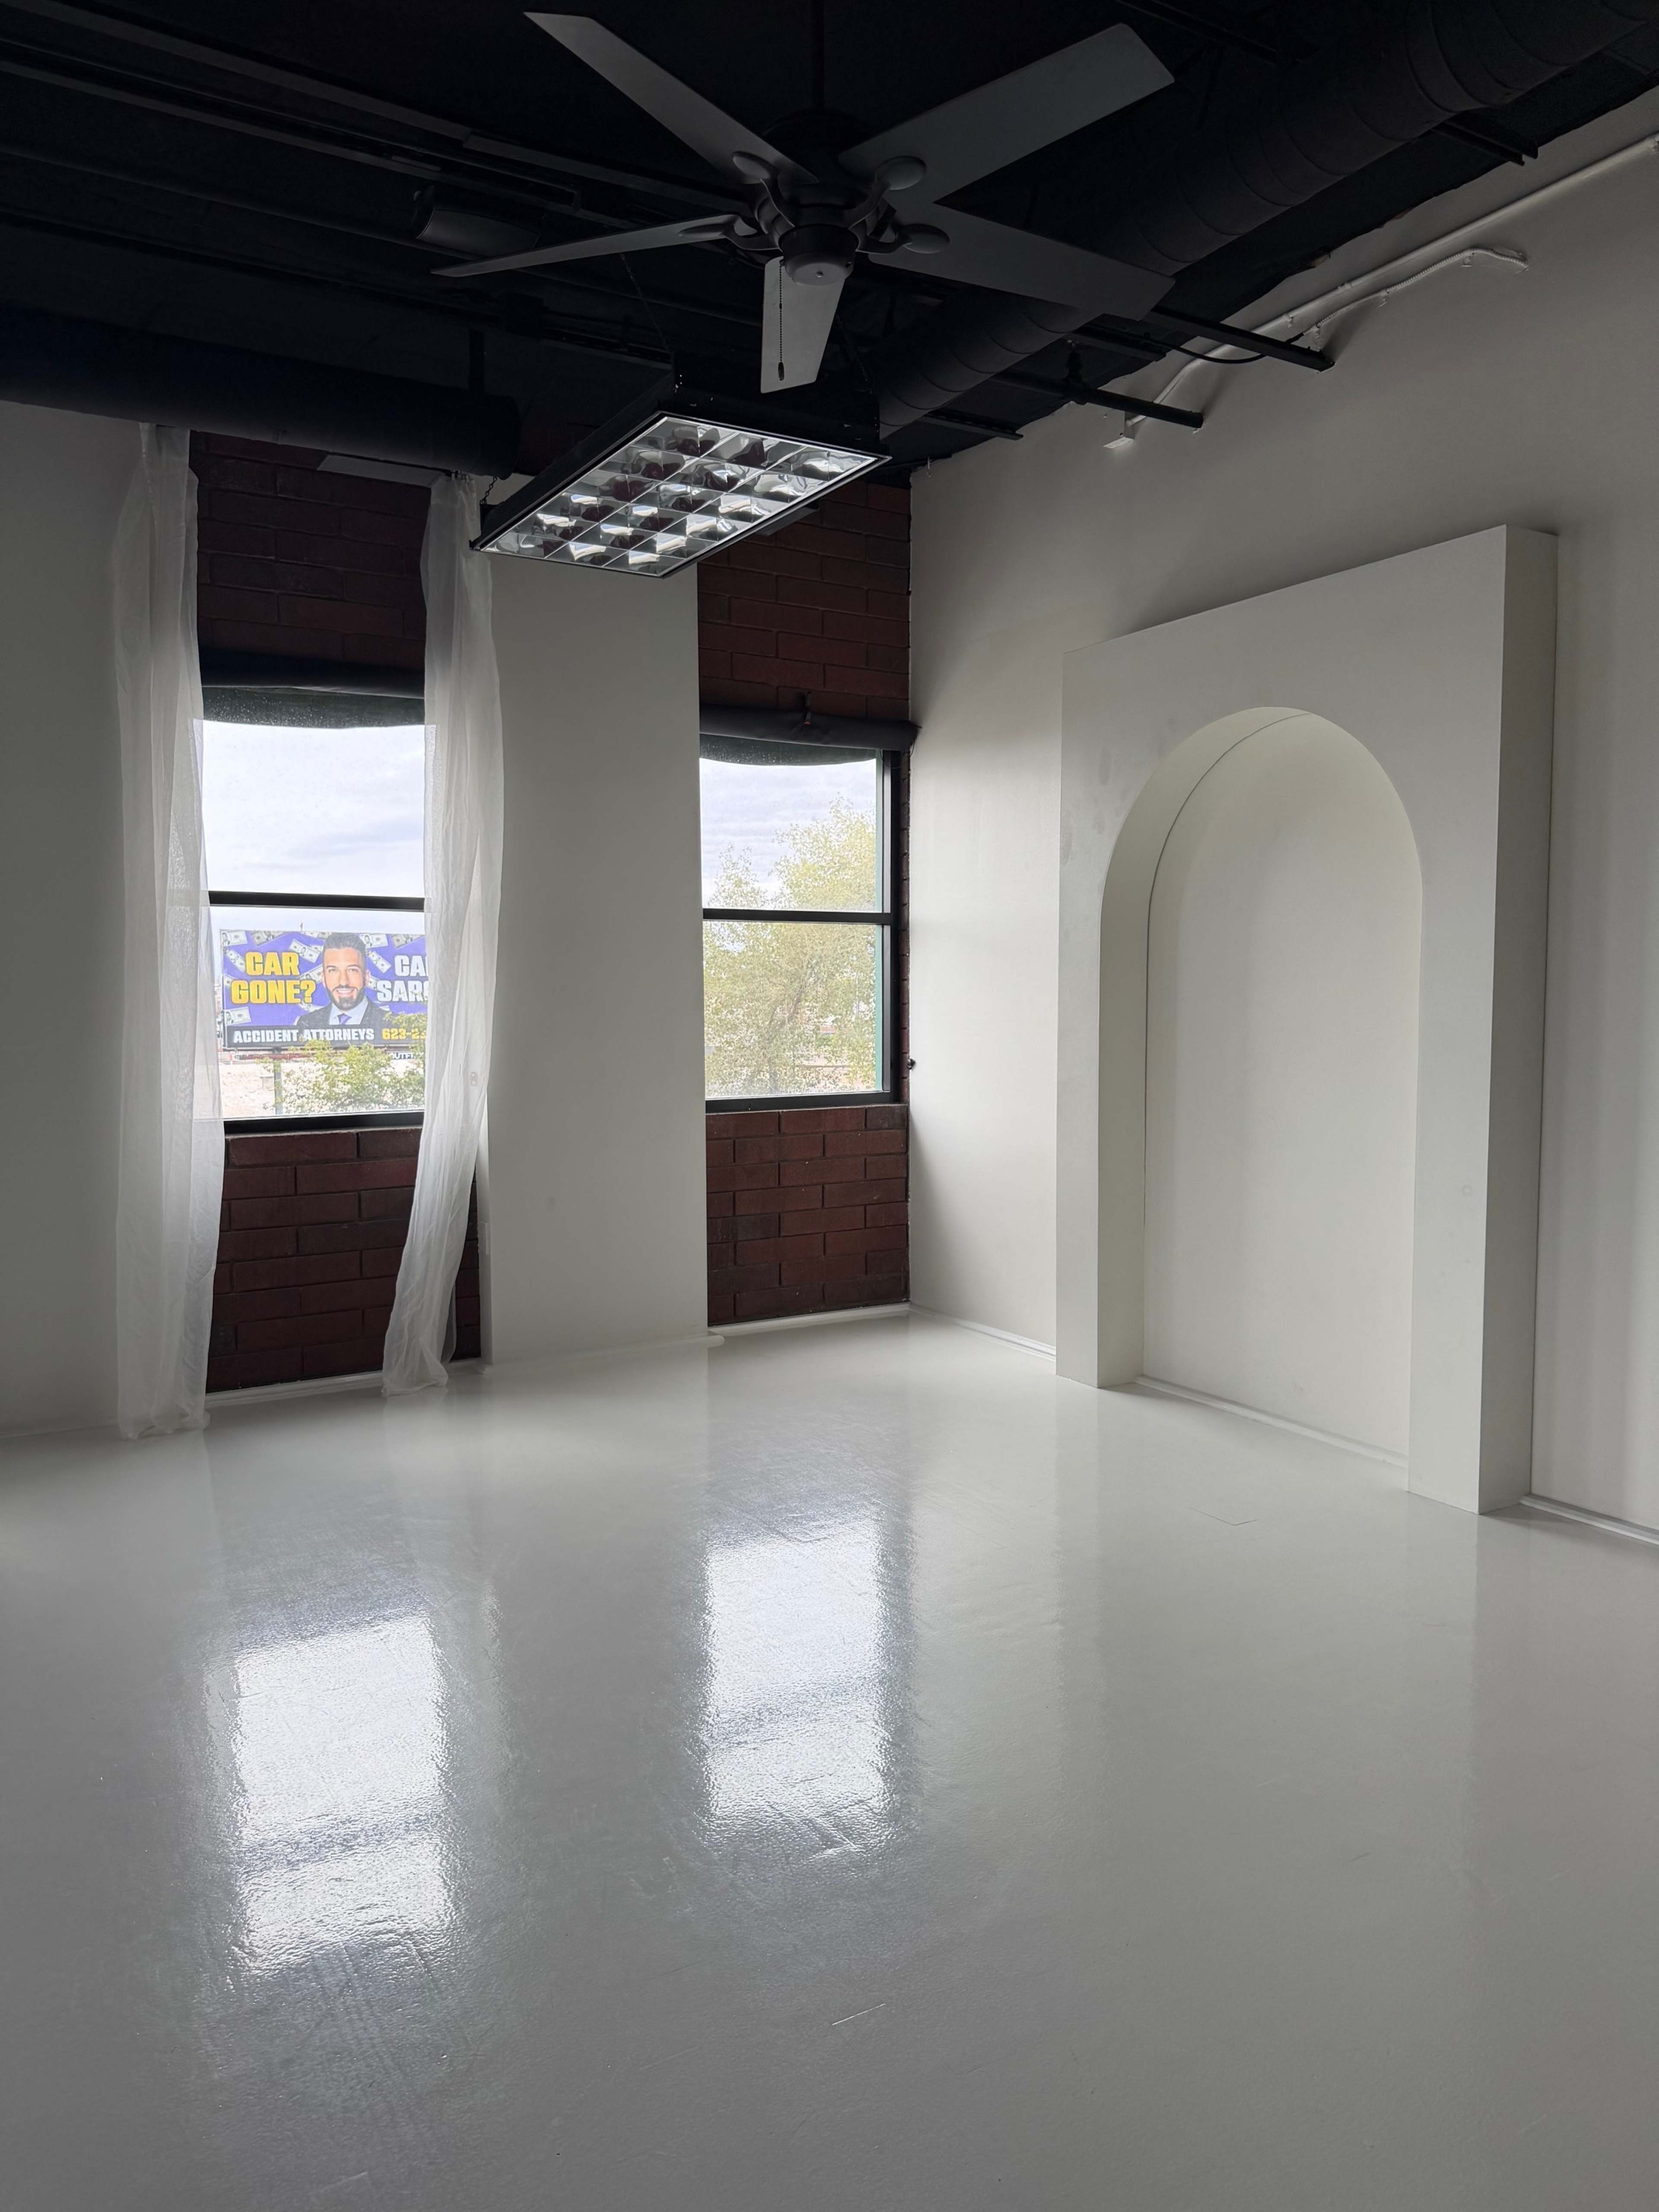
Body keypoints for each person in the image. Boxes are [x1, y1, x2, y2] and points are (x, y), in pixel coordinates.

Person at [294, 931, 388, 1039]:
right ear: (324, 978)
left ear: (366, 977)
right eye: (333, 970)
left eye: (353, 970)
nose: (343, 982)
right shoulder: (307, 1024)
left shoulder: (391, 1024)